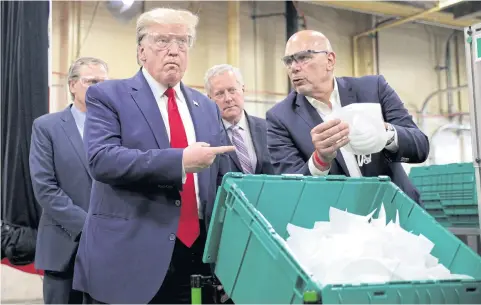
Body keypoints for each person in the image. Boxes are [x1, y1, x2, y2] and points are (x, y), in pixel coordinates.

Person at [72, 7, 235, 304]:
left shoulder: (206, 107)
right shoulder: (109, 96)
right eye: (162, 41)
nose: (174, 50)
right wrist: (180, 161)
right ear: (141, 51)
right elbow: (102, 160)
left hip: (196, 258)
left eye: (182, 42)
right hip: (129, 258)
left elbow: (221, 178)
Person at [266, 30, 429, 203]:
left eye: (304, 57)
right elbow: (292, 188)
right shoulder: (280, 118)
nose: (294, 67)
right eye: (288, 61)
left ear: (330, 60)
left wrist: (385, 133)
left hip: (397, 210)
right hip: (337, 222)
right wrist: (320, 160)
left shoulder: (374, 89)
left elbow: (420, 149)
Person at [29, 57, 109, 304]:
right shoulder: (47, 127)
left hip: (108, 249)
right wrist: (88, 226)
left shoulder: (117, 129)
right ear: (73, 85)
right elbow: (45, 188)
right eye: (90, 81)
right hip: (64, 245)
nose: (97, 88)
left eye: (103, 83)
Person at [204, 64, 274, 175]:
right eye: (220, 94)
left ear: (243, 89)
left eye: (232, 90)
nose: (228, 99)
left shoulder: (268, 129)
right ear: (209, 99)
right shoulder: (205, 137)